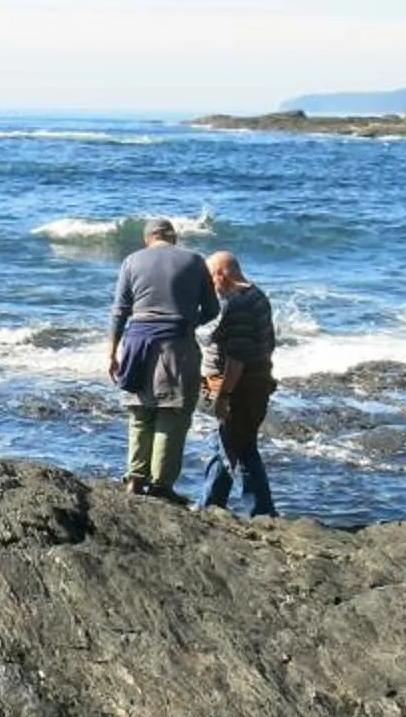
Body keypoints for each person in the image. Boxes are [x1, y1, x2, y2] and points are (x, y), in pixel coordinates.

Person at [104, 217, 217, 498]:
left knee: (140, 412)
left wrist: (111, 353)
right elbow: (213, 308)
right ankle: (161, 486)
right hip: (177, 343)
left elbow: (119, 311)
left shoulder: (132, 261)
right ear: (173, 237)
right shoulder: (194, 260)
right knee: (172, 413)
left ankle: (134, 478)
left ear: (147, 239)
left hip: (136, 342)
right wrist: (189, 322)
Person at [197, 247, 278, 516]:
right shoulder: (256, 295)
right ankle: (213, 503)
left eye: (210, 279)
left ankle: (255, 510)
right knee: (232, 444)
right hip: (247, 382)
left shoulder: (239, 305)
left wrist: (223, 397)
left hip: (237, 386)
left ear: (221, 275)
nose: (209, 287)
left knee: (232, 446)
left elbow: (237, 359)